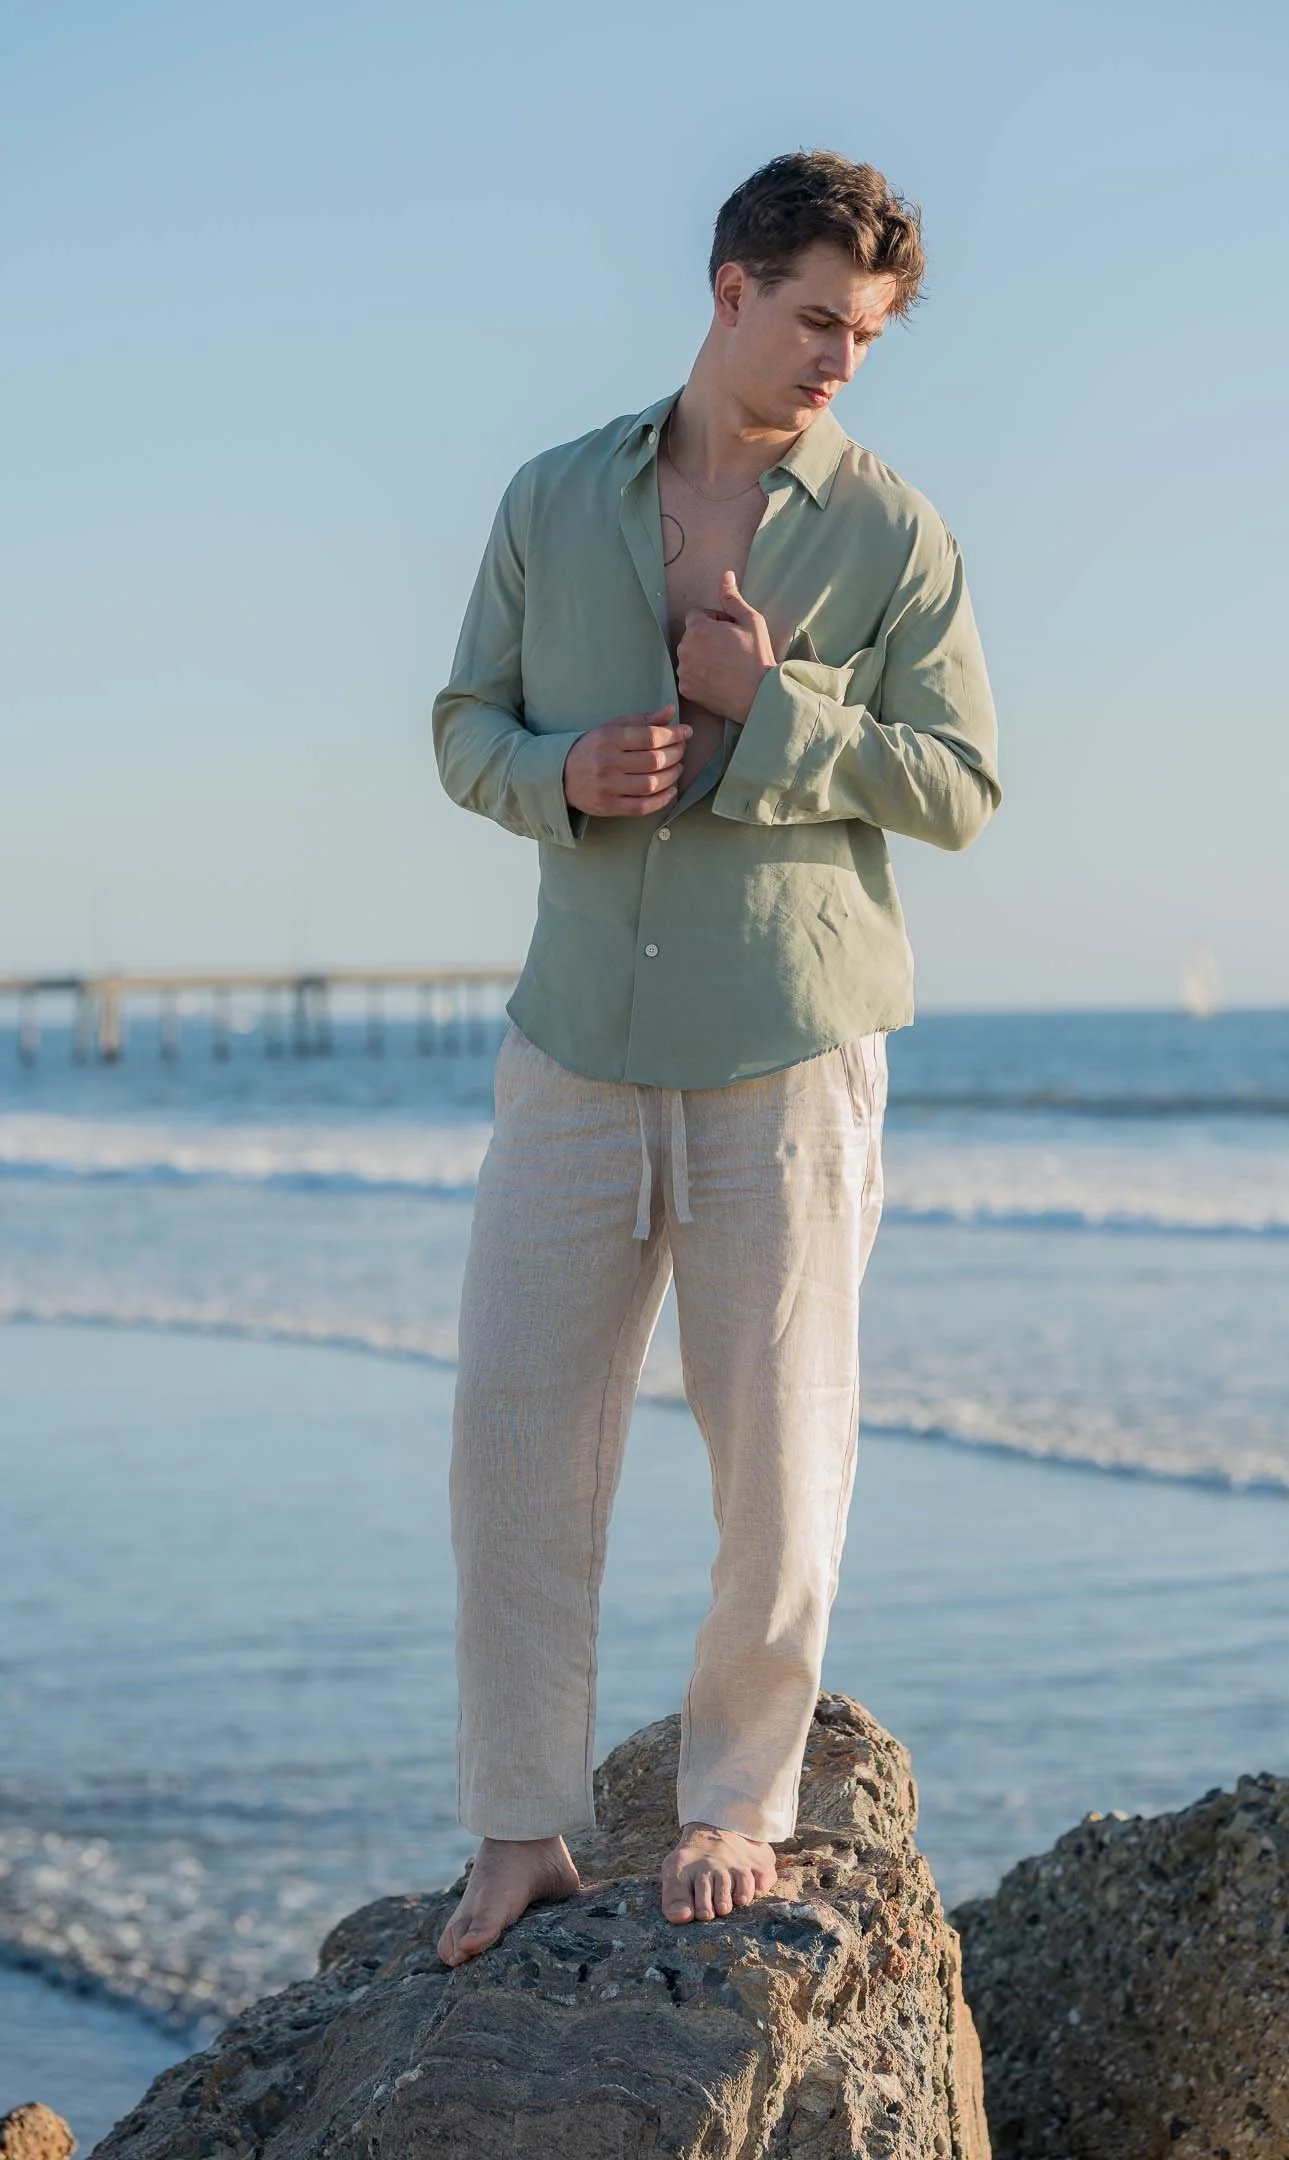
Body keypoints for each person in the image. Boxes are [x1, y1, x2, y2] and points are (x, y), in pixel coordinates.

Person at [430, 148, 1001, 1966]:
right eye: (818, 317)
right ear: (730, 286)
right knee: (516, 1437)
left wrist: (779, 709)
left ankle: (732, 1805)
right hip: (575, 1047)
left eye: (869, 334)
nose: (843, 357)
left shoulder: (896, 533)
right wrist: (559, 777)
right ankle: (519, 1831)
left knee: (778, 1447)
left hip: (789, 1047)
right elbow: (463, 724)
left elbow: (963, 791)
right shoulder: (550, 498)